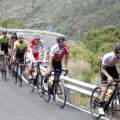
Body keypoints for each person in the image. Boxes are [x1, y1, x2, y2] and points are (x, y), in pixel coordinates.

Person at [99, 43, 120, 115]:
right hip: (104, 69)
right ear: (116, 52)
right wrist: (109, 77)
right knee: (104, 88)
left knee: (119, 85)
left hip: (112, 68)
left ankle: (110, 98)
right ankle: (101, 107)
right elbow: (102, 69)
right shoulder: (108, 56)